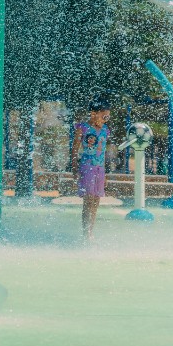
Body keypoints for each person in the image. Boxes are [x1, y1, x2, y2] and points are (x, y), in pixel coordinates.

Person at [71, 97, 111, 241]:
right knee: (88, 200)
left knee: (96, 200)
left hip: (100, 169)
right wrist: (74, 167)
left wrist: (105, 173)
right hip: (87, 167)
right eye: (104, 115)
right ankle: (85, 232)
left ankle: (90, 232)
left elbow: (103, 153)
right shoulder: (83, 127)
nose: (106, 119)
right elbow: (74, 149)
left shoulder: (105, 130)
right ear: (94, 113)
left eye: (108, 116)